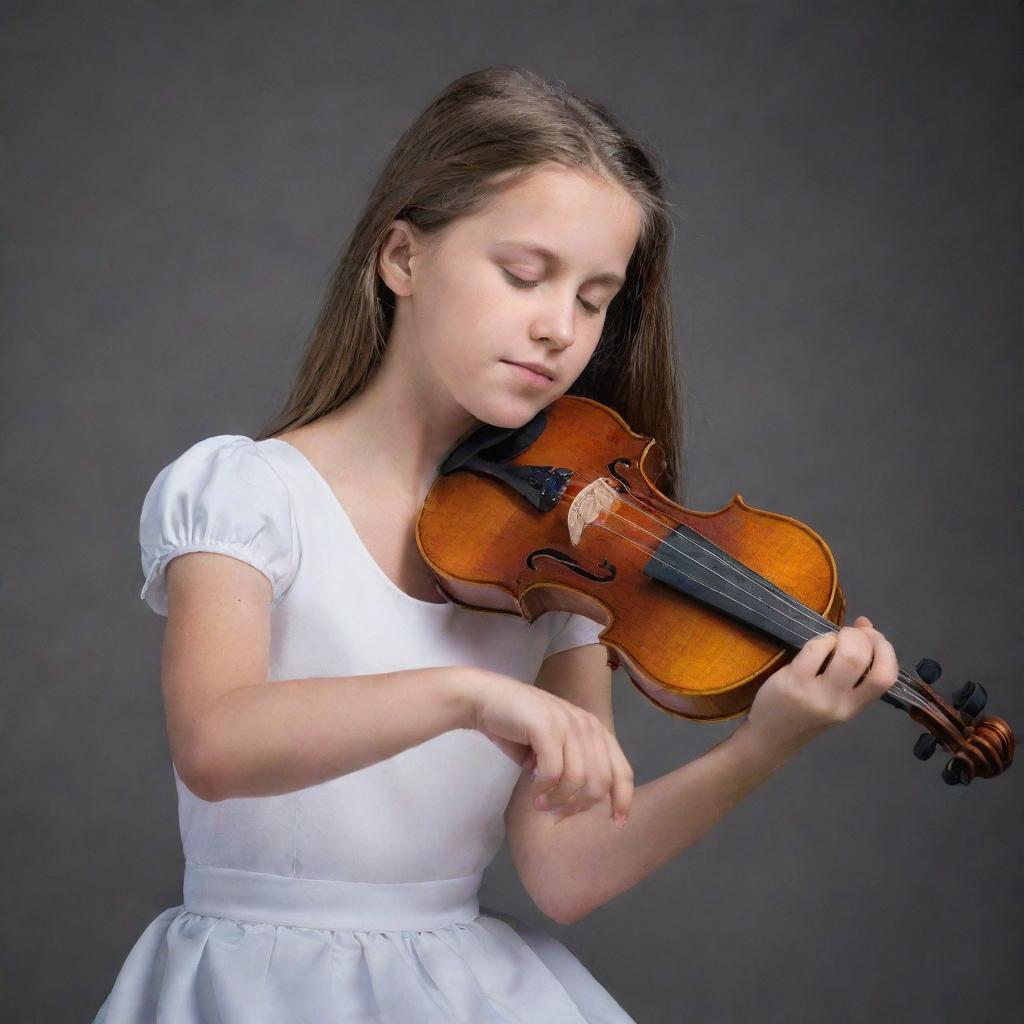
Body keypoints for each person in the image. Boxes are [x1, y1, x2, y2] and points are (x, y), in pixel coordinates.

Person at [92, 65, 898, 1023]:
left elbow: (567, 870)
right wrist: (467, 694)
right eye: (524, 274)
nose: (559, 328)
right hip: (256, 985)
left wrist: (762, 746)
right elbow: (217, 744)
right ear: (403, 257)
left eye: (595, 300)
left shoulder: (558, 557)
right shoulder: (245, 491)